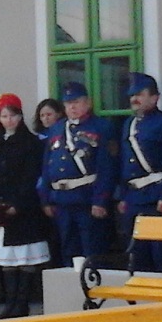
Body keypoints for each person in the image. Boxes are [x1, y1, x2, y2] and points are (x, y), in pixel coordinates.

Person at [0, 93, 48, 318]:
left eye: (12, 115)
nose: (8, 120)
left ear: (20, 116)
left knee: (23, 255)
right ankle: (11, 301)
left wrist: (18, 204)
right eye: (4, 116)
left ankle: (22, 302)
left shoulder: (32, 143)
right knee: (5, 256)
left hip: (23, 209)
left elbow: (31, 176)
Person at [37, 81, 119, 266]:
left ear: (87, 103)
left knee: (92, 253)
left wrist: (101, 199)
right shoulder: (57, 129)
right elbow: (47, 165)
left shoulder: (101, 127)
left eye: (76, 102)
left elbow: (106, 168)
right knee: (68, 251)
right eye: (68, 103)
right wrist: (46, 198)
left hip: (87, 200)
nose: (72, 107)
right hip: (62, 200)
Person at [115, 73, 162, 274]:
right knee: (138, 256)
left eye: (140, 94)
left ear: (154, 97)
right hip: (134, 198)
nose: (134, 99)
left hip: (157, 196)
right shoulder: (129, 124)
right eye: (132, 95)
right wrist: (123, 196)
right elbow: (124, 164)